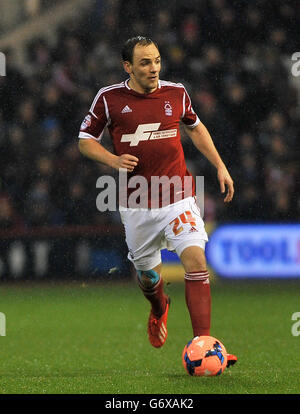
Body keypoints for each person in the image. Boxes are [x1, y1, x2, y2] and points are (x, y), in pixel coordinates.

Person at [78, 36, 237, 367]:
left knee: (196, 261)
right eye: (145, 63)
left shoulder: (176, 93)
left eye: (157, 61)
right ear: (128, 67)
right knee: (149, 277)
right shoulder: (109, 99)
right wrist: (113, 161)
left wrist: (220, 165)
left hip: (178, 196)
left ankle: (203, 344)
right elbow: (84, 140)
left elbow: (195, 128)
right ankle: (158, 306)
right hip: (136, 206)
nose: (154, 68)